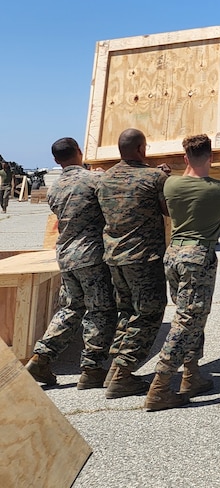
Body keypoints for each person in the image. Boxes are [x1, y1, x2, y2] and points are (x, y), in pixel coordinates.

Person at [147, 134, 220, 412]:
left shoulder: (171, 184)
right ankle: (161, 386)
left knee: (189, 314)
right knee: (189, 320)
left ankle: (192, 375)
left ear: (185, 158)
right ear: (211, 158)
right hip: (198, 257)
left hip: (173, 254)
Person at [25, 138, 115, 389]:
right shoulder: (94, 179)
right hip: (91, 255)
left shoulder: (54, 188)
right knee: (100, 311)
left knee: (71, 308)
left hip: (66, 255)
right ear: (79, 152)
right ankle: (92, 368)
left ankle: (42, 357)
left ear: (56, 160)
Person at [96, 128, 171, 399]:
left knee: (126, 312)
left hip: (114, 257)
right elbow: (167, 210)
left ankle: (114, 368)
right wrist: (163, 177)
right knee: (149, 314)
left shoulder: (104, 179)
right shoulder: (154, 177)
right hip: (143, 258)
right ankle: (124, 375)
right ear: (142, 149)